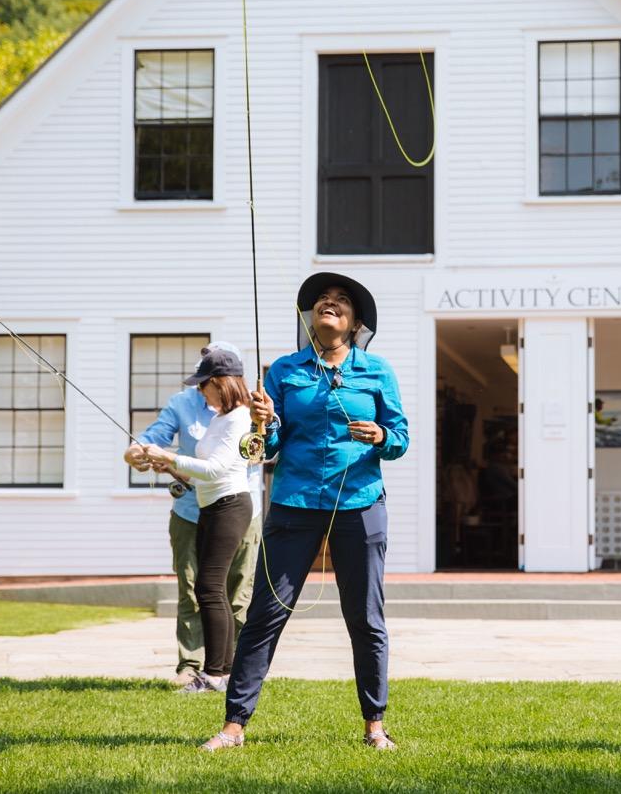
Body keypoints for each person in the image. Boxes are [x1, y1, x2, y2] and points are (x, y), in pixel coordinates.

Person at [200, 272, 408, 752]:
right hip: (294, 504)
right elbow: (267, 446)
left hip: (360, 504)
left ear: (355, 322)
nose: (329, 304)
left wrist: (381, 436)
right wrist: (264, 421)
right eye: (321, 300)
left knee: (366, 617)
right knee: (265, 615)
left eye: (340, 301)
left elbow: (400, 438)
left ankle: (374, 724)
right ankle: (234, 726)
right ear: (311, 318)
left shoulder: (377, 370)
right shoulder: (285, 372)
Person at [124, 342, 263, 690]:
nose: (198, 387)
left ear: (221, 381)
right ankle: (212, 670)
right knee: (201, 590)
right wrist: (150, 455)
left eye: (204, 380)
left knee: (221, 590)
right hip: (203, 506)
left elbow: (216, 469)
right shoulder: (211, 415)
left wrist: (169, 459)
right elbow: (199, 465)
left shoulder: (241, 416)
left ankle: (222, 673)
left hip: (231, 506)